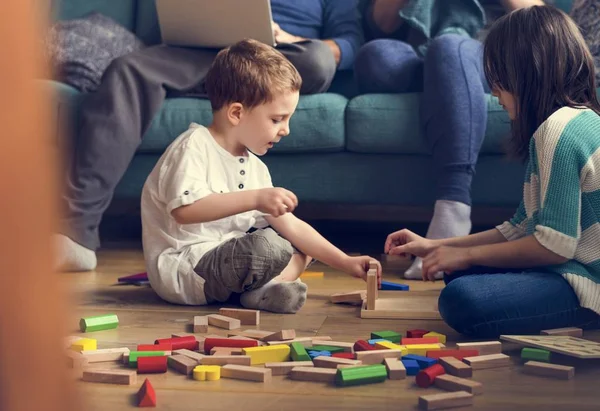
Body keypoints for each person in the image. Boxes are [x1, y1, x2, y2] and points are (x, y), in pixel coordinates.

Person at [55, 0, 364, 272]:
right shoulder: (193, 146)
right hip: (202, 55)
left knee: (318, 58)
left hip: (282, 58)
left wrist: (290, 38)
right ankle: (75, 233)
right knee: (126, 69)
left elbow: (350, 42)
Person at [384, 6, 600, 337]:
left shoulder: (558, 132)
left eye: (498, 77)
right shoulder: (572, 120)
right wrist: (436, 245)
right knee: (453, 267)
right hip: (571, 265)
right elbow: (520, 227)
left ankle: (584, 316)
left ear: (528, 72)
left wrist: (465, 256)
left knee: (460, 298)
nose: (493, 89)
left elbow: (554, 246)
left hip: (587, 282)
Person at [141, 39, 381, 313]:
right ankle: (260, 287)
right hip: (186, 268)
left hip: (230, 264)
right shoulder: (193, 146)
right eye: (277, 119)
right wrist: (255, 198)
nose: (285, 130)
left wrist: (345, 261)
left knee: (302, 244)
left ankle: (260, 292)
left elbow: (292, 226)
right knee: (269, 246)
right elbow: (185, 211)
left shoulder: (255, 167)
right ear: (236, 113)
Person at [355, 0, 544, 280]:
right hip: (419, 52)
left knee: (449, 47)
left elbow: (535, 18)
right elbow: (381, 24)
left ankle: (453, 207)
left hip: (483, 50)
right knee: (375, 56)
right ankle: (446, 76)